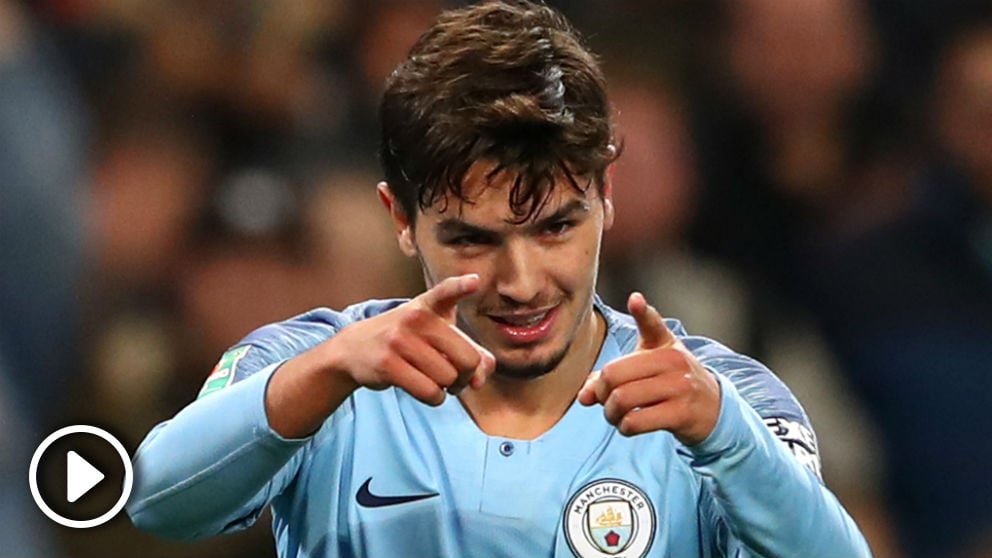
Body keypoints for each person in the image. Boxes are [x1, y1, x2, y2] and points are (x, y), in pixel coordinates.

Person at [126, 2, 871, 556]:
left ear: (605, 192)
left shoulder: (717, 402)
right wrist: (321, 375)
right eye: (471, 239)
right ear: (400, 216)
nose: (521, 282)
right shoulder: (321, 367)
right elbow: (157, 498)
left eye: (556, 227)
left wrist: (728, 440)